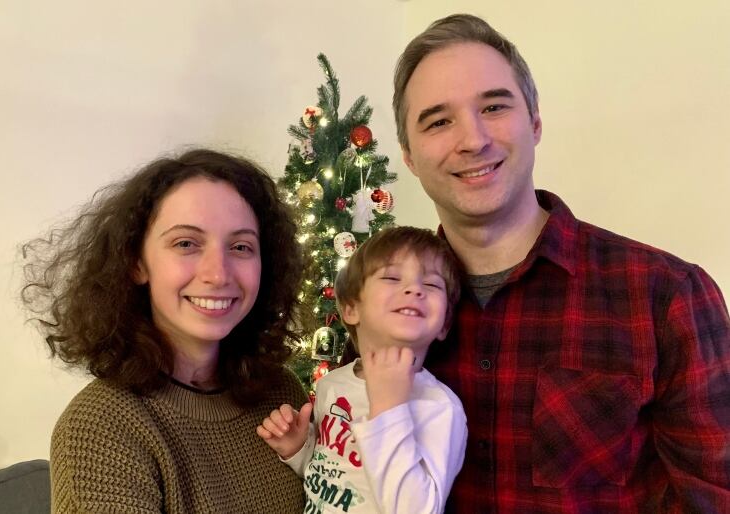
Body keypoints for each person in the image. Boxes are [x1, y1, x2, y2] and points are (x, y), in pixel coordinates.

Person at [393, 13, 730, 513]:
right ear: (409, 156)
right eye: (439, 121)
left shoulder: (666, 294)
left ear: (534, 122)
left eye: (494, 106)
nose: (473, 139)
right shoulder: (386, 307)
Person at [21, 149, 307, 513]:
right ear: (137, 262)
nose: (217, 274)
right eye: (186, 243)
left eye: (240, 247)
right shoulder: (100, 428)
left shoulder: (282, 392)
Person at [256, 226, 468, 513]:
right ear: (351, 309)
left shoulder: (440, 408)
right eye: (392, 277)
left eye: (431, 284)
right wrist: (298, 450)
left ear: (444, 323)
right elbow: (333, 479)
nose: (415, 288)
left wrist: (388, 408)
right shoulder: (333, 385)